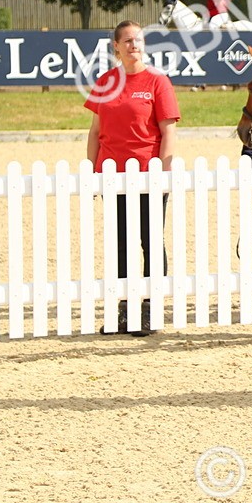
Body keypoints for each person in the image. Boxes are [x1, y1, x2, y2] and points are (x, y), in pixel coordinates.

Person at [85, 21, 181, 336]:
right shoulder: (106, 81)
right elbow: (96, 132)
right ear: (115, 46)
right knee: (120, 246)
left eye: (137, 40)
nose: (133, 45)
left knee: (150, 242)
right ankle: (124, 312)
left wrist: (164, 175)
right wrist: (90, 173)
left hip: (147, 176)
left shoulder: (157, 82)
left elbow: (168, 131)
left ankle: (150, 311)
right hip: (112, 177)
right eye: (126, 40)